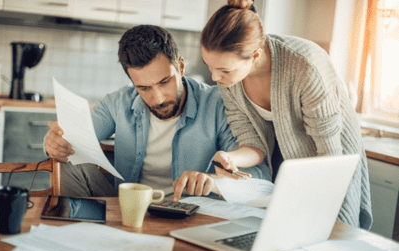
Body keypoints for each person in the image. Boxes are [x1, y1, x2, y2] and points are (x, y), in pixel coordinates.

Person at [198, 0, 372, 229]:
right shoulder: (230, 80)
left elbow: (329, 156)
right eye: (210, 67)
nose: (215, 78)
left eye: (223, 70)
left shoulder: (305, 66)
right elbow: (253, 144)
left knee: (330, 231)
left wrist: (293, 194)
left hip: (331, 157)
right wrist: (233, 158)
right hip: (290, 161)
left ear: (256, 55)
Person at [45, 24, 270, 200]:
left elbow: (260, 178)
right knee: (67, 162)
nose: (158, 98)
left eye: (165, 82)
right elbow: (72, 137)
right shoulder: (118, 103)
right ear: (132, 82)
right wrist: (57, 143)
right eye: (144, 88)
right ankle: (76, 235)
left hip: (188, 211)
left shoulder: (218, 104)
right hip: (128, 206)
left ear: (181, 67)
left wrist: (214, 181)